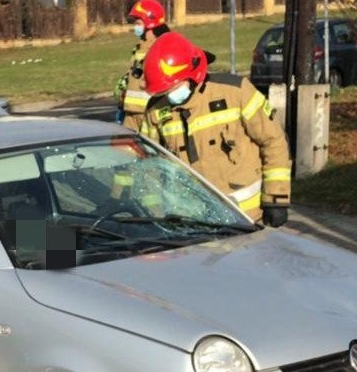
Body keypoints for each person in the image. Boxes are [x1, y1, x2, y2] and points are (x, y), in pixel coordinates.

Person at [140, 32, 291, 226]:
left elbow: (274, 141)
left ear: (192, 75)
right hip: (189, 222)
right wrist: (151, 214)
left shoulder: (236, 92)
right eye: (163, 91)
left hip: (245, 218)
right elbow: (148, 166)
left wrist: (276, 199)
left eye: (172, 88)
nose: (168, 95)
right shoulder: (155, 111)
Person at [113, 0, 171, 131]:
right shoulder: (140, 47)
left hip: (150, 115)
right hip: (131, 113)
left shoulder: (163, 47)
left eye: (138, 23)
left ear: (150, 23)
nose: (135, 27)